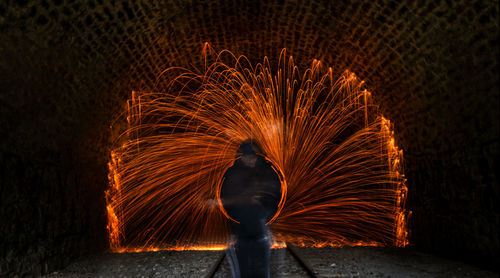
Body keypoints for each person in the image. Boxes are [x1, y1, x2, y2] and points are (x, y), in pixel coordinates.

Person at [220, 140, 281, 278]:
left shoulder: (264, 172)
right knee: (244, 272)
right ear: (242, 157)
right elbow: (228, 200)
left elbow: (273, 195)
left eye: (253, 156)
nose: (251, 159)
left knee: (262, 271)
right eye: (248, 156)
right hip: (242, 234)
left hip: (260, 233)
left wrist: (266, 218)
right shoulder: (233, 174)